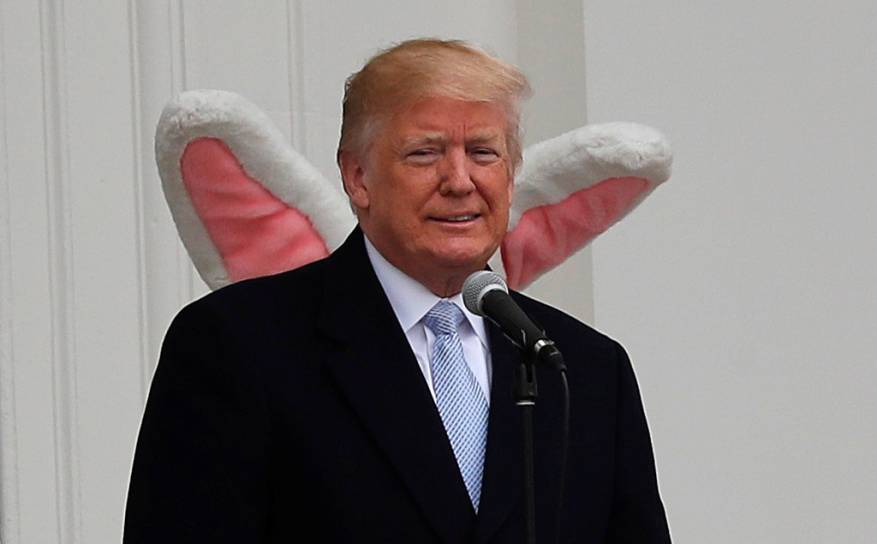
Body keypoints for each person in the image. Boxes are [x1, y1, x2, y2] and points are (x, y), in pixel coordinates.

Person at [124, 39, 671, 543]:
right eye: (424, 153)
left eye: (483, 153)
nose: (460, 181)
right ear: (358, 177)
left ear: (510, 176)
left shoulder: (584, 368)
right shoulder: (237, 345)